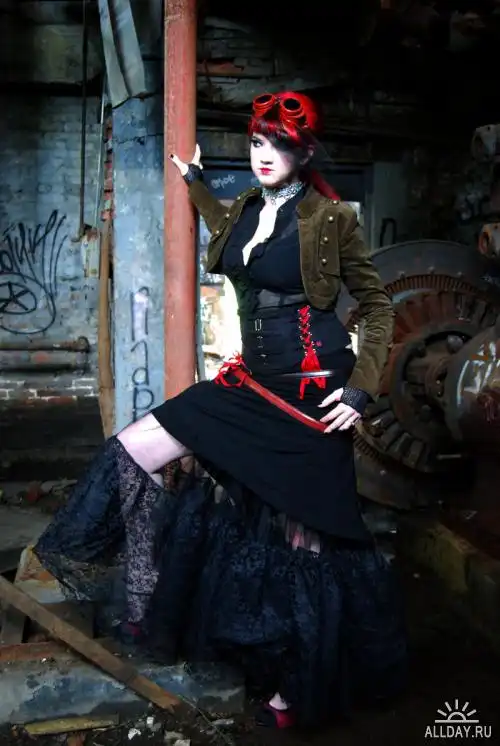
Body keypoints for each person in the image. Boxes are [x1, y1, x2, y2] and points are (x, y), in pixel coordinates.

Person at [35, 91, 407, 730]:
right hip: (248, 386)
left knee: (300, 538)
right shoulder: (244, 209)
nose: (265, 154)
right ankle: (145, 591)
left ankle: (290, 690)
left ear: (304, 153)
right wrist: (195, 181)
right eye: (259, 142)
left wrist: (360, 392)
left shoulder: (331, 220)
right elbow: (222, 226)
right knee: (136, 448)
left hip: (313, 395)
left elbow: (376, 308)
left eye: (280, 145)